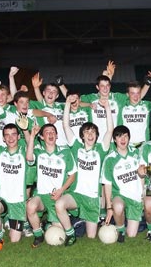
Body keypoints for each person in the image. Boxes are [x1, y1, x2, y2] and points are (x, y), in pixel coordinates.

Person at [56, 96, 113, 246]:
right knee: (59, 204)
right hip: (76, 194)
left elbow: (110, 130)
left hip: (92, 199)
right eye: (87, 132)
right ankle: (70, 233)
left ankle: (80, 221)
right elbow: (66, 126)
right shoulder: (76, 148)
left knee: (91, 237)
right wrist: (67, 103)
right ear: (82, 135)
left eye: (93, 132)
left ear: (96, 136)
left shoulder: (101, 150)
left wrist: (106, 107)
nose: (90, 134)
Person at [26, 124, 77, 248]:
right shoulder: (38, 151)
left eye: (53, 132)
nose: (50, 134)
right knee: (30, 206)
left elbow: (72, 175)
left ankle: (69, 233)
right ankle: (38, 235)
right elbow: (29, 158)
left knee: (58, 229)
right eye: (47, 132)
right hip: (42, 196)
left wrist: (61, 190)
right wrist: (32, 136)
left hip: (57, 196)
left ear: (57, 135)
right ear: (42, 137)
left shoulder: (65, 152)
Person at [0, 123, 31, 251]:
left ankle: (19, 223)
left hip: (18, 201)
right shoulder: (0, 152)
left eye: (14, 134)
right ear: (3, 138)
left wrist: (26, 130)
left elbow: (31, 143)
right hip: (2, 197)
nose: (10, 138)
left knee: (15, 240)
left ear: (18, 137)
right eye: (7, 135)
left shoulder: (25, 152)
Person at [102, 125, 144, 242]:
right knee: (118, 206)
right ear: (114, 139)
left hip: (135, 197)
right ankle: (120, 229)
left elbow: (142, 175)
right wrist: (109, 206)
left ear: (129, 138)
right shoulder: (110, 159)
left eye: (125, 136)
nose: (123, 139)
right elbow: (107, 183)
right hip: (119, 195)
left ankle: (126, 223)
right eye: (119, 136)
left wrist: (142, 193)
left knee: (132, 235)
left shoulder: (136, 153)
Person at [117, 81, 151, 147]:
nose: (136, 97)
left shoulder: (148, 105)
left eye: (138, 93)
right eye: (132, 93)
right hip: (126, 145)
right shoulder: (121, 106)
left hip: (144, 145)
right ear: (128, 94)